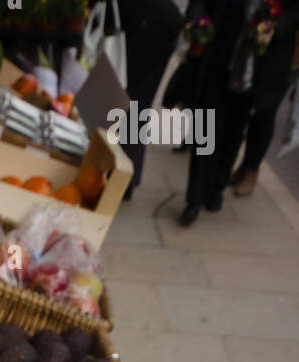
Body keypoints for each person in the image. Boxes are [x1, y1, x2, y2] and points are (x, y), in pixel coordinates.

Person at [179, 0, 294, 224]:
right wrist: (200, 22)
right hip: (218, 55)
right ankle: (194, 198)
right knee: (207, 127)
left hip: (257, 67)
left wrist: (276, 27)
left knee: (233, 131)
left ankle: (216, 188)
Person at [117, 0, 185, 194]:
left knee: (129, 95)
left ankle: (121, 172)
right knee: (139, 100)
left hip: (146, 18)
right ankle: (126, 174)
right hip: (162, 18)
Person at [231, 0, 299, 194]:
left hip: (281, 54)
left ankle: (251, 168)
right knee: (241, 108)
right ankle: (234, 165)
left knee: (264, 112)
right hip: (247, 45)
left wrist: (278, 24)